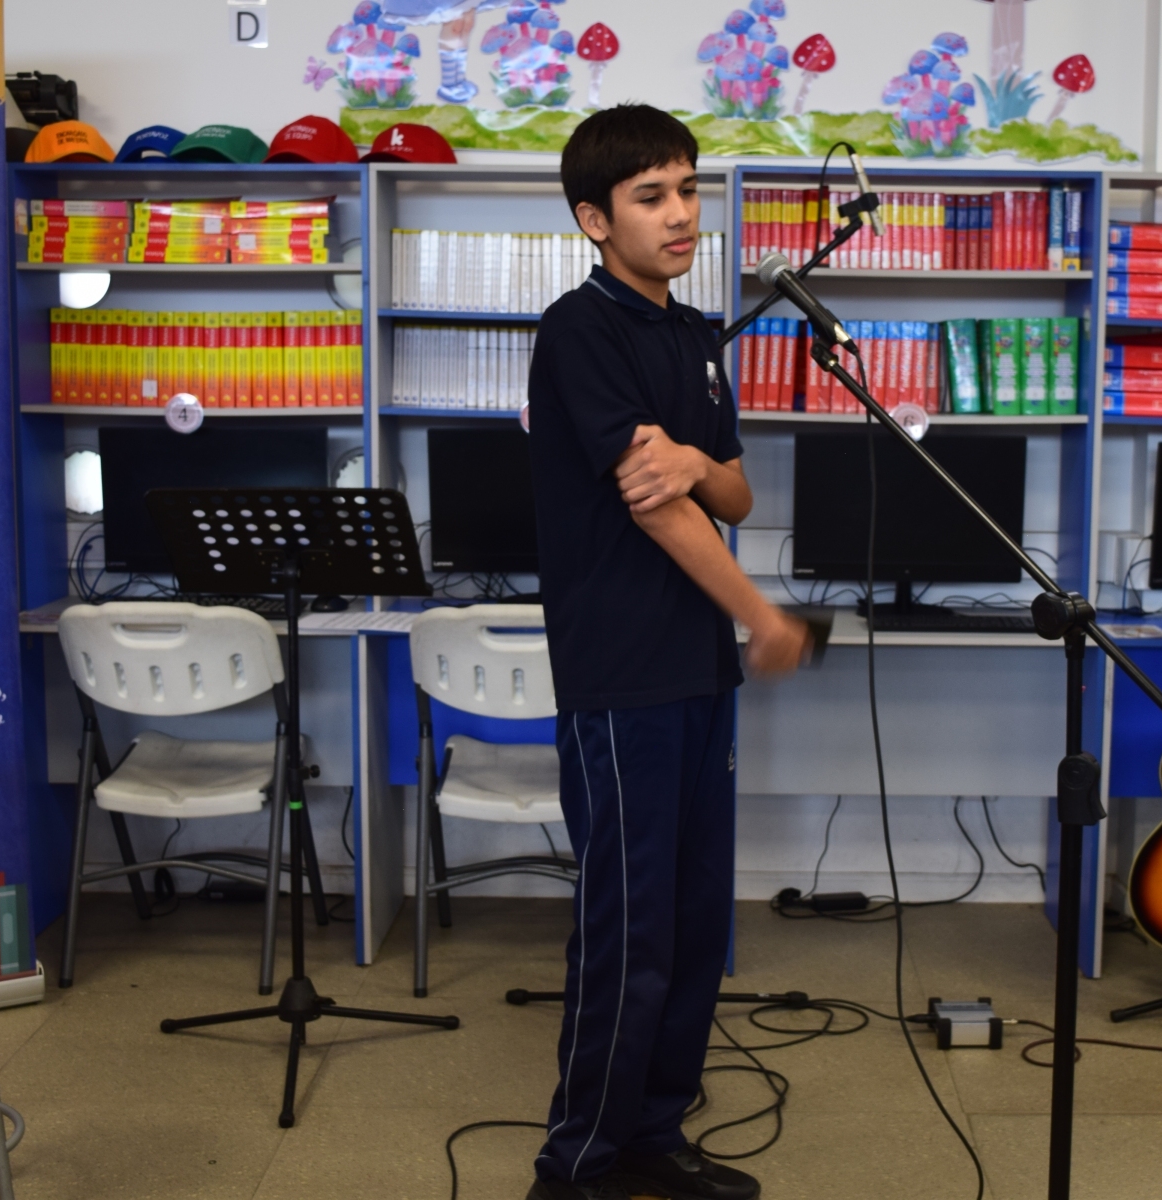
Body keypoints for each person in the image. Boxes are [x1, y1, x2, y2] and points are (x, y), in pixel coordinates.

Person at [524, 104, 810, 1200]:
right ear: (595, 220)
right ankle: (578, 1161)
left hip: (697, 666)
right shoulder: (580, 330)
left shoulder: (695, 335)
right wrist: (764, 616)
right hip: (622, 671)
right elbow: (657, 506)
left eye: (687, 189)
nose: (681, 213)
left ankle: (654, 1130)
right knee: (630, 927)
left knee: (694, 923)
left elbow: (730, 490)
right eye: (651, 196)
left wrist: (695, 457)